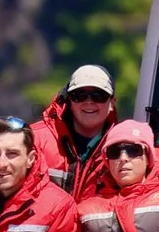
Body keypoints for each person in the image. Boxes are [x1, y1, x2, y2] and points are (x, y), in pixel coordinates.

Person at [34, 64, 119, 200]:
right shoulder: (34, 139)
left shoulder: (126, 147)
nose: (89, 102)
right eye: (79, 95)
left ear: (112, 102)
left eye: (98, 95)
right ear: (69, 101)